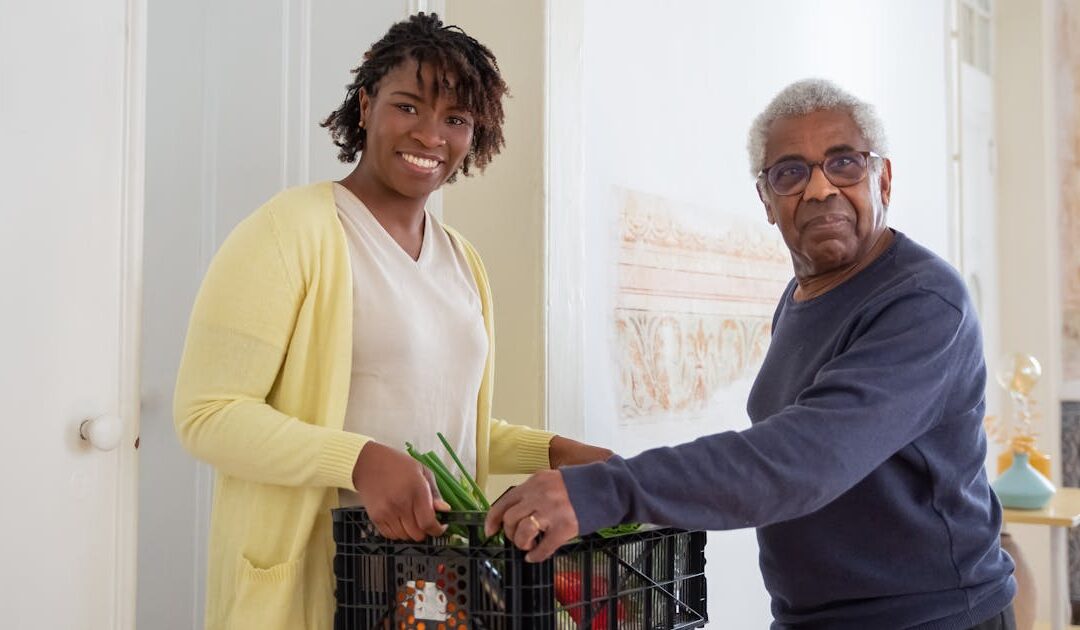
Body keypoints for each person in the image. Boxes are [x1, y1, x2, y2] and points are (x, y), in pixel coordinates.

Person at [486, 79, 1017, 630]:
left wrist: (608, 491)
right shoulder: (804, 294)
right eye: (790, 172)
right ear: (766, 200)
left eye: (844, 163)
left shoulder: (923, 303)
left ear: (882, 177)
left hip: (934, 617)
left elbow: (805, 457)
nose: (819, 189)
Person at [173, 13, 610, 630]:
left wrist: (552, 450)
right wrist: (357, 461)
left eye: (455, 119)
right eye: (409, 107)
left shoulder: (464, 261)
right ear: (366, 104)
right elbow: (207, 415)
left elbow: (438, 422)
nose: (431, 135)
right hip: (317, 584)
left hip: (434, 589)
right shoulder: (290, 232)